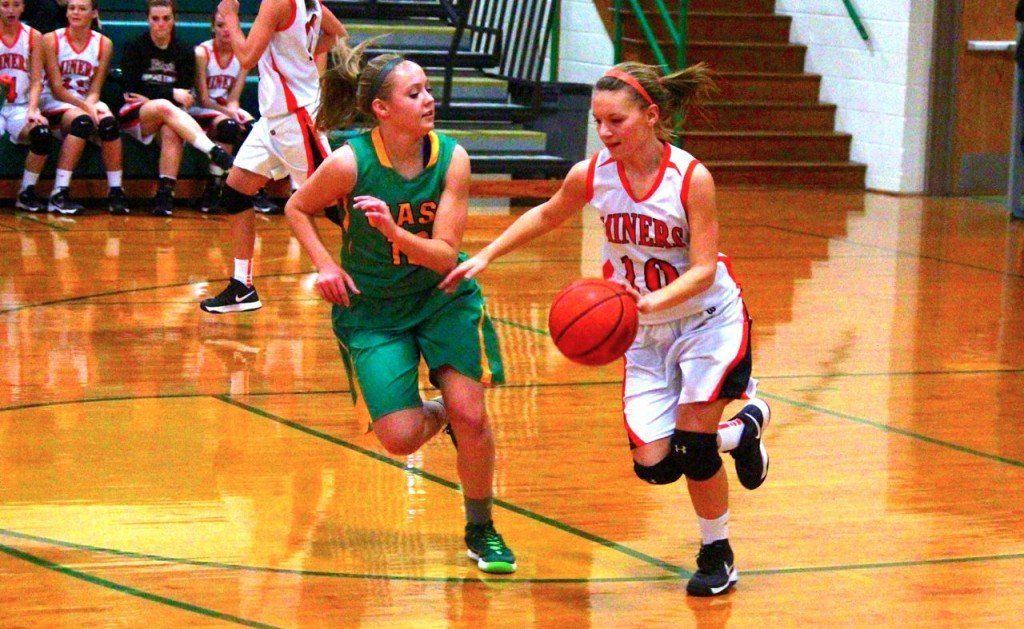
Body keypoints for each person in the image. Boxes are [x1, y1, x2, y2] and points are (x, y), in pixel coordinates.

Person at [440, 61, 772, 596]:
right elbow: (547, 215)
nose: (605, 131)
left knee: (696, 447)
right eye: (599, 120)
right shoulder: (593, 173)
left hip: (706, 320)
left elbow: (705, 268)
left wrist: (651, 300)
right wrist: (486, 256)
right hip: (643, 332)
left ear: (651, 116)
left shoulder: (691, 177)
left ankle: (718, 554)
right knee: (656, 465)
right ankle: (748, 426)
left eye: (616, 120)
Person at [282, 47, 517, 574]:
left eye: (428, 89)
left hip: (441, 297)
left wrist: (392, 231)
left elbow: (442, 254)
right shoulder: (349, 163)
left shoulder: (452, 157)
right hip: (374, 311)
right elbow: (295, 206)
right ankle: (442, 415)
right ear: (382, 110)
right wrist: (324, 264)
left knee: (474, 415)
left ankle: (482, 528)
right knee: (399, 438)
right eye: (415, 93)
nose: (429, 99)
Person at [199, 0, 346, 313]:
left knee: (336, 206)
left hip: (296, 116)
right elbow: (336, 33)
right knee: (236, 191)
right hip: (273, 119)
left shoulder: (278, 1)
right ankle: (242, 287)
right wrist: (301, 57)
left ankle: (395, 267)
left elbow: (246, 57)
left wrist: (232, 19)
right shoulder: (310, 3)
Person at [119, 0, 234, 217]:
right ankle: (213, 151)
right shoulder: (134, 46)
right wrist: (169, 92)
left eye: (166, 19)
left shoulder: (183, 51)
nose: (160, 24)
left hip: (170, 114)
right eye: (155, 19)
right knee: (164, 105)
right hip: (136, 114)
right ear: (147, 20)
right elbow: (131, 89)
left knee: (171, 129)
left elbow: (186, 99)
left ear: (174, 20)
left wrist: (153, 92)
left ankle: (165, 195)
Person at [38, 0, 126, 215]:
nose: (75, 12)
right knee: (83, 122)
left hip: (85, 99)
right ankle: (58, 193)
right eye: (72, 8)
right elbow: (57, 88)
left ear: (94, 13)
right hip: (55, 101)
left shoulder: (104, 43)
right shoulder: (51, 40)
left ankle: (115, 190)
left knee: (109, 125)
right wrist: (86, 108)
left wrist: (91, 105)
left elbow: (95, 88)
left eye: (82, 8)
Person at [190, 11, 277, 214]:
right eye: (220, 25)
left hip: (221, 107)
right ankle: (213, 188)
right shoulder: (202, 53)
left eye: (228, 25)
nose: (225, 30)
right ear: (213, 28)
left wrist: (234, 111)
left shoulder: (242, 54)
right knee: (228, 126)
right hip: (200, 109)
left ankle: (255, 189)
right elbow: (203, 98)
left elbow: (233, 98)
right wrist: (229, 113)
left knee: (255, 128)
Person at [1, 0, 54, 212]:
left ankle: (26, 191)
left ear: (23, 7)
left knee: (41, 132)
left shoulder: (34, 36)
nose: (11, 10)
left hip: (19, 106)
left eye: (16, 5)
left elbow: (36, 80)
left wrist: (33, 109)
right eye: (5, 5)